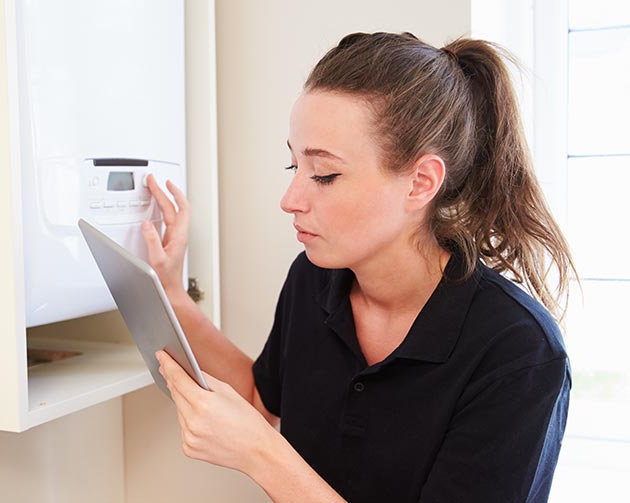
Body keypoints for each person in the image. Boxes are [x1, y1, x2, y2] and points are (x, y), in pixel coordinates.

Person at [140, 32, 574, 503]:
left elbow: (259, 439)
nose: (290, 200)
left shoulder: (518, 353)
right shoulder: (313, 279)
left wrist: (262, 454)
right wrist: (170, 291)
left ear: (420, 183)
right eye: (294, 168)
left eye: (325, 175)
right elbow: (260, 400)